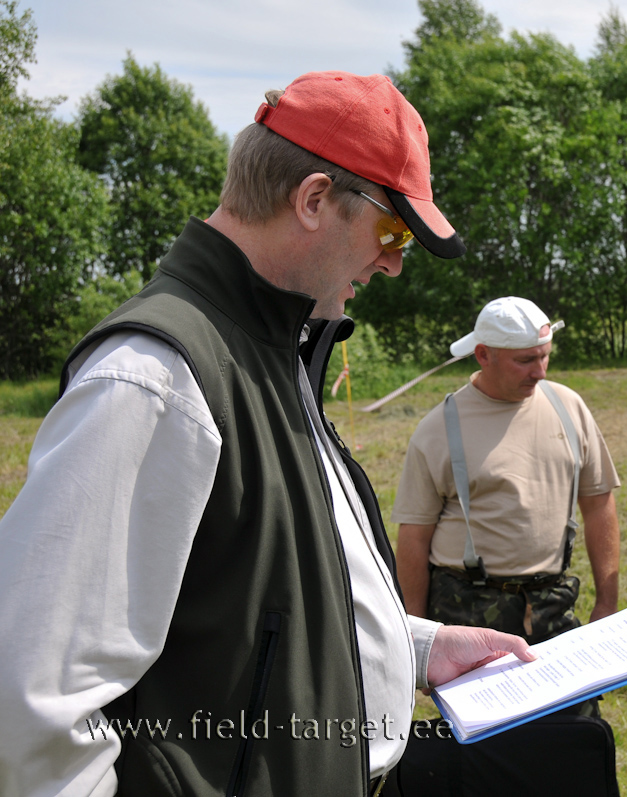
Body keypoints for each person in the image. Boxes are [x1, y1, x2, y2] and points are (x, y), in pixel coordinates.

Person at [0, 71, 535, 797]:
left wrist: (417, 647)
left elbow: (263, 603)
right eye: (393, 230)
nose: (394, 262)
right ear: (313, 199)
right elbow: (32, 707)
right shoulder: (153, 380)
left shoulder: (273, 347)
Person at [393, 296, 621, 648]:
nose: (540, 372)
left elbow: (598, 504)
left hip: (552, 606)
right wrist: (417, 637)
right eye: (526, 360)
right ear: (483, 355)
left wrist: (607, 603)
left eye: (545, 356)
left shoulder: (569, 407)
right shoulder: (439, 429)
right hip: (467, 610)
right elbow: (414, 537)